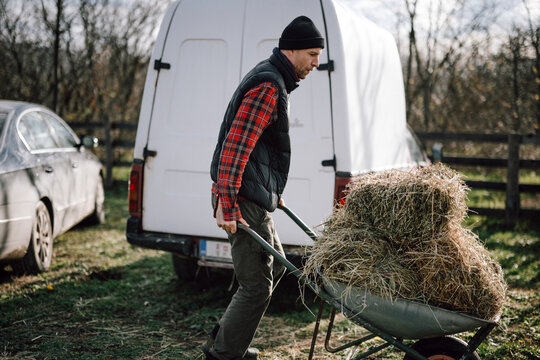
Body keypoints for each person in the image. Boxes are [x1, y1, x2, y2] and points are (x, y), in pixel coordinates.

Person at [206, 15, 324, 360]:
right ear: (292, 50)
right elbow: (235, 148)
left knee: (269, 271)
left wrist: (270, 187)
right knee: (256, 286)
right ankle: (223, 353)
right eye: (312, 55)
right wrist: (227, 203)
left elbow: (258, 147)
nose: (316, 63)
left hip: (254, 196)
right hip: (242, 200)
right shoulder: (269, 85)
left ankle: (227, 344)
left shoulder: (271, 77)